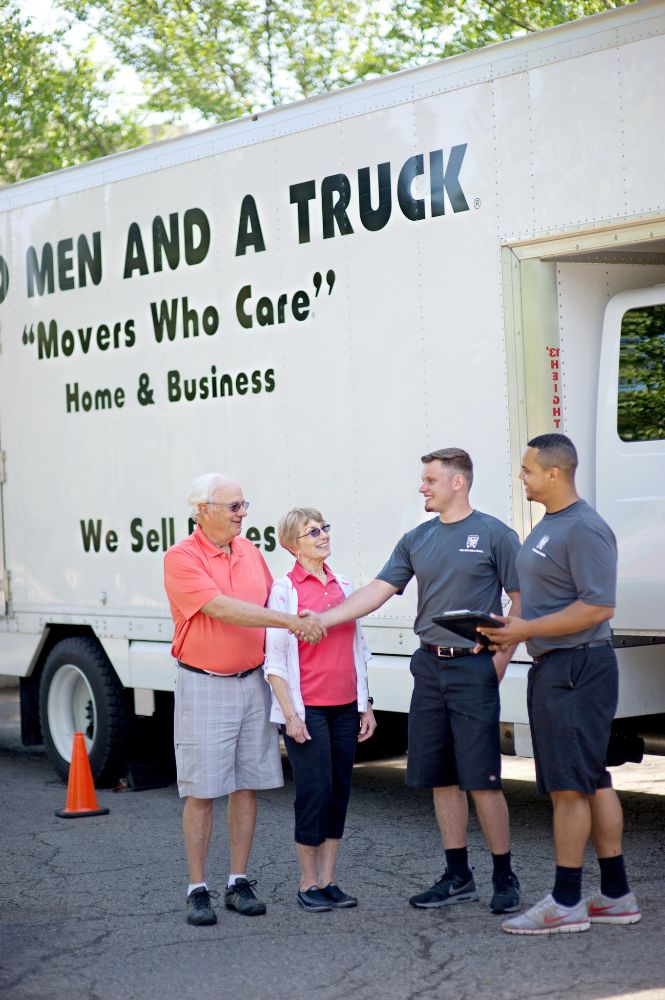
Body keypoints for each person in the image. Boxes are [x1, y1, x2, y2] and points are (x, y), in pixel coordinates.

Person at [300, 449, 522, 915]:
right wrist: (322, 618)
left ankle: (505, 875)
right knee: (442, 779)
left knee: (482, 780)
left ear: (458, 482)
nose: (422, 487)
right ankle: (458, 875)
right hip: (428, 667)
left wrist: (500, 660)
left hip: (471, 670)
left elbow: (521, 601)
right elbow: (375, 592)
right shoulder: (415, 539)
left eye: (430, 479)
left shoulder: (495, 535)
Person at [479, 434, 641, 935]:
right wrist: (509, 632)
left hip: (576, 667)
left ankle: (566, 902)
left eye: (527, 469)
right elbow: (541, 600)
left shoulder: (585, 528)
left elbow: (598, 606)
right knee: (591, 780)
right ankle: (615, 895)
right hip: (561, 666)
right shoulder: (550, 526)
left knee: (570, 787)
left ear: (554, 473)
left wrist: (525, 630)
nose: (521, 477)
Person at [163, 474, 325, 927]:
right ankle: (198, 887)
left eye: (242, 504)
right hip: (205, 682)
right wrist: (291, 620)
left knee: (246, 785)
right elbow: (222, 608)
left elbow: (277, 595)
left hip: (252, 681)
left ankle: (238, 880)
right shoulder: (181, 557)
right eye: (233, 506)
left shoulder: (249, 551)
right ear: (203, 511)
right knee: (202, 790)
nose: (242, 513)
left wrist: (309, 603)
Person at [264, 508, 377, 912]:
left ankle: (329, 881)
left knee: (338, 793)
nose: (322, 536)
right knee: (314, 794)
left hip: (345, 708)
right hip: (307, 712)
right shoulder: (285, 591)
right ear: (292, 545)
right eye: (311, 532)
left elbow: (356, 649)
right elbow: (274, 661)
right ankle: (308, 883)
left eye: (324, 528)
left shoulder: (343, 584)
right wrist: (291, 716)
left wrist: (365, 705)